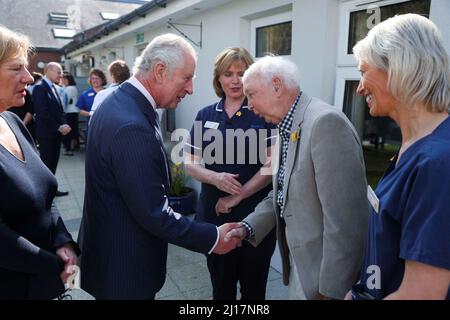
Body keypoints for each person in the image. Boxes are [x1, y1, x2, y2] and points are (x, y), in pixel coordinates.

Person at [78, 33, 241, 300]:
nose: (190, 89)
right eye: (187, 78)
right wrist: (212, 237)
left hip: (110, 258)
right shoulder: (131, 125)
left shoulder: (118, 101)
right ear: (160, 71)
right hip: (124, 271)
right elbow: (154, 212)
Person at [225, 56, 369, 300]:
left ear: (277, 86)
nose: (248, 105)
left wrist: (331, 291)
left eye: (251, 94)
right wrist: (247, 226)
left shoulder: (325, 124)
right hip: (302, 269)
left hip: (324, 280)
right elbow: (283, 191)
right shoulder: (286, 126)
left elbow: (346, 223)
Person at [347, 14, 450, 300]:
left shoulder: (438, 162)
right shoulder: (413, 147)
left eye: (363, 71)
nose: (358, 88)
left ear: (399, 67)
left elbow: (422, 294)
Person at [184, 47, 276, 300]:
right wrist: (215, 178)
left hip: (256, 217)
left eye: (241, 73)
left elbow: (272, 165)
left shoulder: (262, 112)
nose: (235, 80)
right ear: (218, 78)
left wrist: (239, 194)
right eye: (228, 74)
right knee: (221, 289)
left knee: (254, 290)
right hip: (215, 216)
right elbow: (189, 163)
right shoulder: (205, 114)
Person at [0, 24, 79, 299]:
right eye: (16, 68)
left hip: (46, 283)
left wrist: (63, 241)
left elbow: (45, 193)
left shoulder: (12, 122)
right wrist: (55, 265)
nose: (28, 78)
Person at [32, 62, 71, 196]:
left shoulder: (54, 87)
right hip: (47, 134)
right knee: (47, 163)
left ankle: (51, 190)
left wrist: (64, 124)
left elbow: (59, 110)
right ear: (48, 71)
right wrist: (59, 127)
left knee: (53, 163)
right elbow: (42, 113)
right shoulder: (39, 88)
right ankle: (43, 192)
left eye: (61, 72)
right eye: (58, 72)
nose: (61, 75)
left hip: (56, 133)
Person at [61, 72, 79, 156]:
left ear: (69, 80)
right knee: (73, 130)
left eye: (65, 79)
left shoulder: (70, 88)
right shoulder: (70, 87)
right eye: (62, 79)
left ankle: (69, 148)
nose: (63, 80)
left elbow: (65, 101)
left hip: (69, 112)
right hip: (72, 112)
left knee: (69, 131)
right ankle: (72, 146)